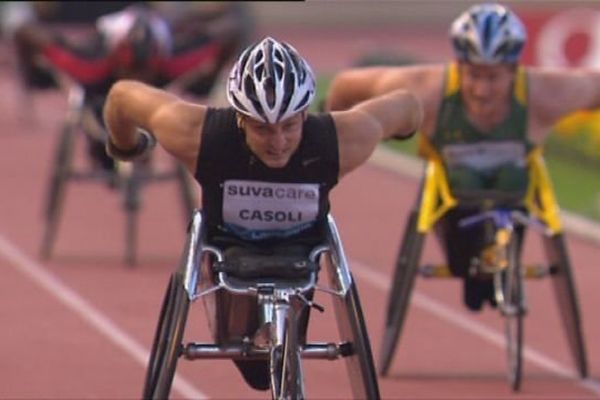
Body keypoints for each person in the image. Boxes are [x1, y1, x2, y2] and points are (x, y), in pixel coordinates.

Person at [102, 36, 421, 391]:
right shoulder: (200, 135)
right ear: (239, 119)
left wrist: (405, 128)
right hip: (226, 253)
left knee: (261, 373)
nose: (278, 142)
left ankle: (274, 340)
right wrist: (125, 145)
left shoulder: (339, 140)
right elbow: (122, 96)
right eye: (262, 128)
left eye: (289, 126)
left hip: (302, 253)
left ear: (305, 114)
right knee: (253, 370)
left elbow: (407, 104)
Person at [325, 2, 600, 311]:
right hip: (453, 193)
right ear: (458, 67)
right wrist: (329, 133)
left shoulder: (546, 92)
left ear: (513, 70)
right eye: (473, 76)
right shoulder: (425, 89)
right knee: (463, 181)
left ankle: (502, 265)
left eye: (493, 78)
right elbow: (346, 85)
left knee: (512, 177)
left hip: (514, 184)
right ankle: (472, 269)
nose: (482, 90)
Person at [12, 3, 244, 173]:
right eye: (130, 71)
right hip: (103, 82)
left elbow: (232, 30)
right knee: (97, 114)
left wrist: (209, 78)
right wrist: (35, 75)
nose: (136, 80)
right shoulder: (89, 63)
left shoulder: (175, 60)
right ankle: (102, 150)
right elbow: (24, 31)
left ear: (156, 63)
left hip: (159, 48)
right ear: (118, 61)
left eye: (143, 72)